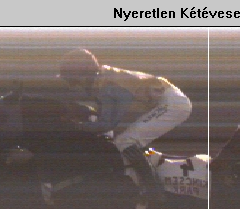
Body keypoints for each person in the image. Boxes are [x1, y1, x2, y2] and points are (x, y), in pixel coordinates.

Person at [57, 48, 192, 193]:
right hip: (166, 101)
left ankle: (154, 190)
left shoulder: (108, 86)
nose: (74, 86)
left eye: (73, 81)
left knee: (126, 141)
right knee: (123, 141)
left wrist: (76, 127)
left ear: (86, 73)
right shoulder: (102, 81)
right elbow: (103, 118)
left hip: (172, 103)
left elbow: (107, 124)